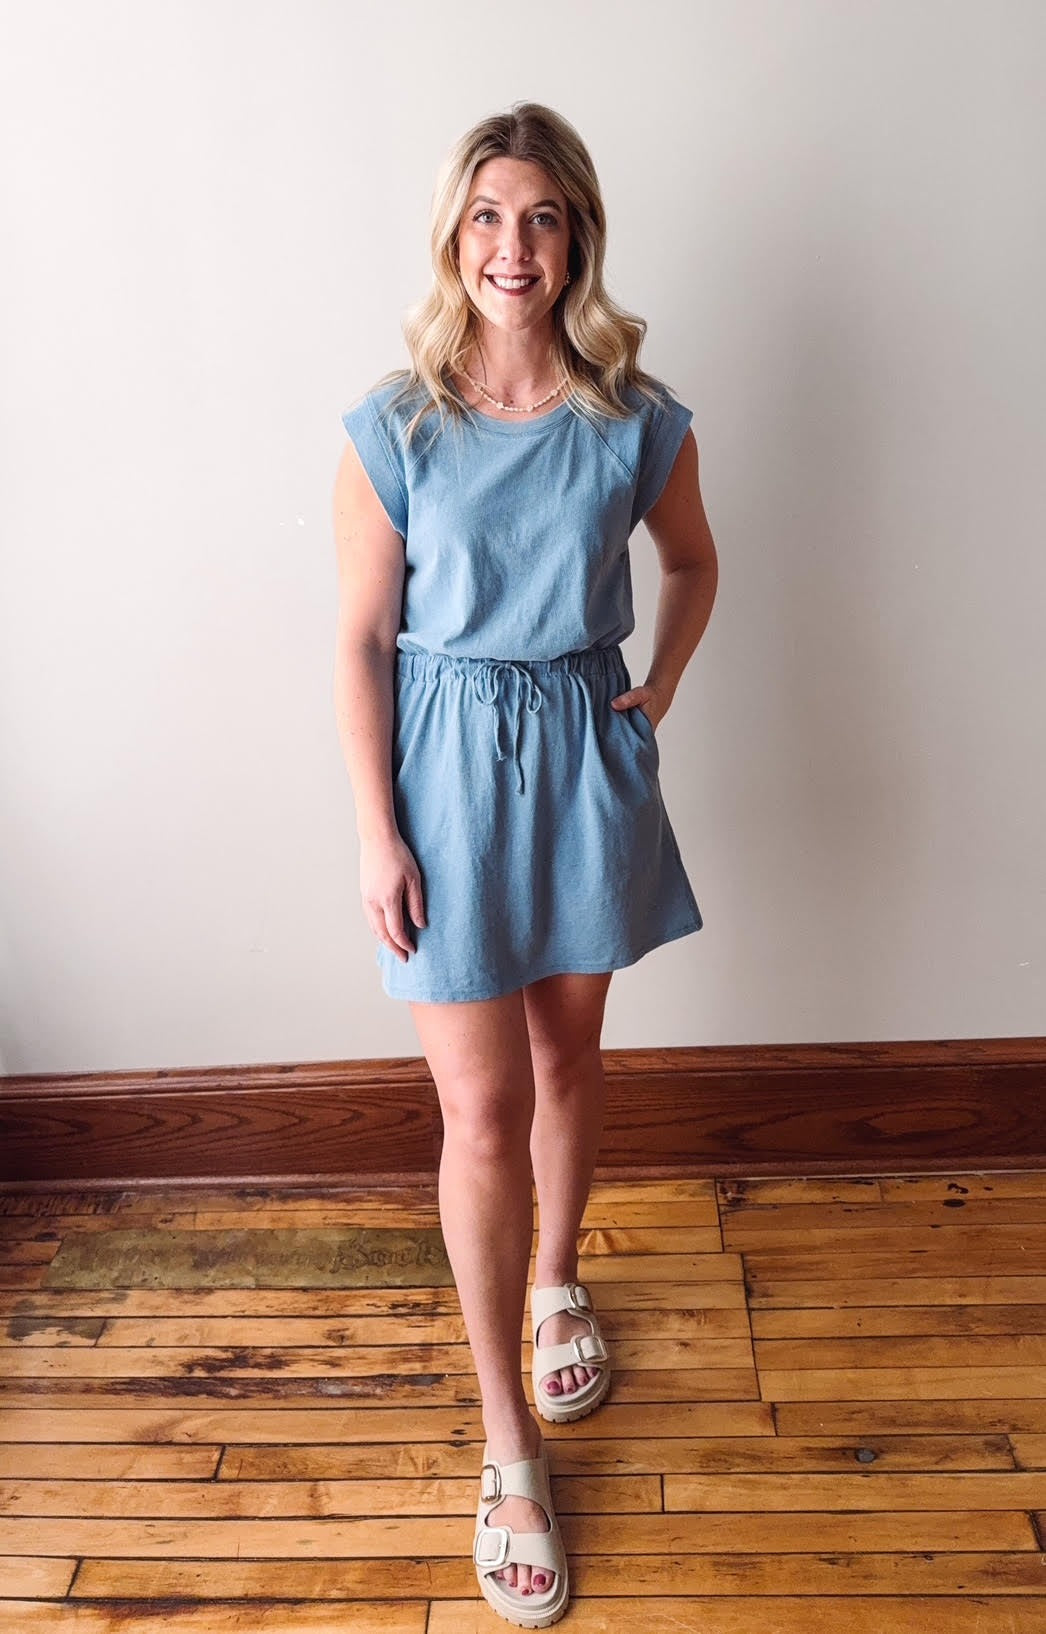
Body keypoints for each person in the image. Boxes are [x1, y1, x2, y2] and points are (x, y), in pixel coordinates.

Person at [333, 101, 718, 1628]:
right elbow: (362, 638)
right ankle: (507, 1448)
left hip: (578, 751)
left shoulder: (633, 412)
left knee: (566, 1061)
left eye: (543, 216)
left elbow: (690, 561)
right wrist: (376, 825)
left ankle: (559, 1275)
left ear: (578, 238)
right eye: (489, 216)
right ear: (454, 236)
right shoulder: (396, 422)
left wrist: (662, 678)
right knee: (476, 1101)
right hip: (440, 768)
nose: (514, 246)